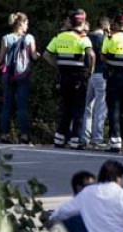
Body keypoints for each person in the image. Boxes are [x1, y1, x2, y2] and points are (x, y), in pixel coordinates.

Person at [44, 9, 95, 149]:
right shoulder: (82, 38)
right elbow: (91, 55)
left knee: (66, 109)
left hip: (64, 77)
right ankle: (75, 140)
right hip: (78, 78)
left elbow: (46, 55)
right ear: (82, 22)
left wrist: (58, 65)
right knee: (78, 110)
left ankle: (59, 139)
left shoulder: (59, 36)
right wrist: (89, 72)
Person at [0, 13, 39, 145]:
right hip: (23, 75)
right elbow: (33, 55)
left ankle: (4, 135)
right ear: (21, 24)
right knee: (22, 106)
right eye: (26, 23)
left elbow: (0, 59)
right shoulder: (29, 38)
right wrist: (37, 55)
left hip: (8, 74)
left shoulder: (6, 38)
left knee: (7, 106)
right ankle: (24, 136)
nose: (27, 26)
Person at [102, 11, 123, 153]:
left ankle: (115, 142)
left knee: (114, 110)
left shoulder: (111, 37)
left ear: (116, 22)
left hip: (115, 76)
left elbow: (103, 55)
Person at [80, 16, 109, 149]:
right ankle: (97, 138)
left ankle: (84, 137)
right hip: (101, 74)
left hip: (88, 75)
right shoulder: (104, 39)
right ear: (105, 26)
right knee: (100, 108)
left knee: (87, 107)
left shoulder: (86, 37)